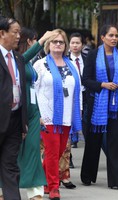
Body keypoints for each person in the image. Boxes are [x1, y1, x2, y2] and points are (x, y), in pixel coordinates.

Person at [33, 28, 82, 200]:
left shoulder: (71, 65)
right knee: (53, 152)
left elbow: (78, 90)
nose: (58, 44)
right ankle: (54, 187)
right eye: (55, 41)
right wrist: (36, 114)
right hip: (47, 116)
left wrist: (79, 111)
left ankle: (45, 181)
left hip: (67, 116)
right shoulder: (40, 65)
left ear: (65, 45)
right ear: (48, 44)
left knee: (59, 151)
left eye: (61, 42)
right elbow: (33, 90)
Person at [80, 24, 118, 191]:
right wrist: (103, 85)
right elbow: (85, 80)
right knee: (93, 142)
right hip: (97, 105)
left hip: (115, 106)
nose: (114, 38)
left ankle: (116, 181)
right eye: (111, 35)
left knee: (115, 143)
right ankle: (87, 175)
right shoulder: (93, 55)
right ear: (102, 37)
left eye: (116, 35)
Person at [17, 28, 56, 200]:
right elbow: (21, 59)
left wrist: (39, 113)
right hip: (17, 113)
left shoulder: (29, 63)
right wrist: (42, 40)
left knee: (33, 150)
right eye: (33, 41)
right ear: (28, 42)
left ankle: (36, 192)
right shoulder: (15, 59)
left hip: (32, 114)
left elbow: (32, 89)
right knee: (13, 153)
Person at [0, 17, 27, 200]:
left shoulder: (18, 58)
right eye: (14, 32)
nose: (18, 36)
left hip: (15, 121)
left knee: (10, 166)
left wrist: (23, 122)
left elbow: (22, 91)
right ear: (2, 33)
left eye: (20, 32)